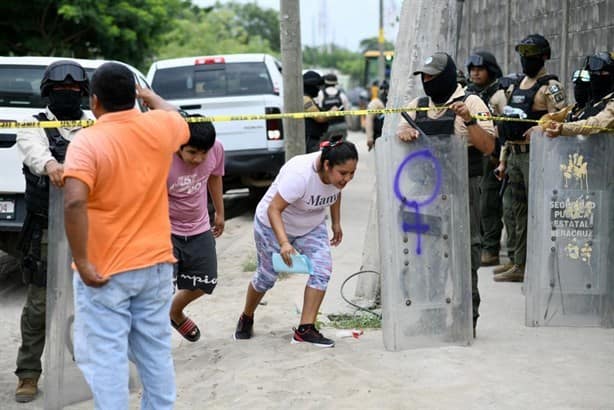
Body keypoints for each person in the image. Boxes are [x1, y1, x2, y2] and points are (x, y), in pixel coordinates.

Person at [62, 62, 190, 409]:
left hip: (104, 269)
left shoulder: (87, 142)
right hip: (156, 263)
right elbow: (176, 115)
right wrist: (149, 96)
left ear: (95, 101)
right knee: (155, 351)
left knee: (106, 355)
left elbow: (74, 201)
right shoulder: (160, 127)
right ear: (135, 95)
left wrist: (83, 261)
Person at [396, 52, 496, 337]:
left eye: (433, 76)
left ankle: (465, 320)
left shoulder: (472, 101)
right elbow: (400, 130)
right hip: (428, 193)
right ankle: (432, 316)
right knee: (429, 255)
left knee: (464, 254)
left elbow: (488, 147)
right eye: (424, 76)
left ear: (448, 75)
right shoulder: (419, 105)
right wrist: (403, 132)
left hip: (463, 189)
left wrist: (470, 121)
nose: (428, 81)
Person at [233, 136, 358, 348]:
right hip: (272, 225)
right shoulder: (300, 174)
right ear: (326, 165)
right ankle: (247, 316)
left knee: (322, 269)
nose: (347, 179)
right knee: (266, 277)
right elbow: (274, 209)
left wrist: (336, 223)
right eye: (343, 173)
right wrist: (283, 243)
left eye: (352, 173)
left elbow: (335, 193)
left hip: (310, 226)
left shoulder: (335, 178)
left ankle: (305, 329)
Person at [13, 59, 90, 403]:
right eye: (60, 90)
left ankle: (88, 366)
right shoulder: (32, 123)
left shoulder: (93, 124)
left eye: (73, 90)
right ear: (48, 92)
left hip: (91, 225)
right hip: (46, 227)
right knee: (40, 305)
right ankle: (28, 373)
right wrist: (52, 165)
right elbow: (34, 153)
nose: (67, 95)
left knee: (93, 300)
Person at [494, 34, 566, 283]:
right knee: (514, 212)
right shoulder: (517, 85)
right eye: (523, 54)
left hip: (535, 156)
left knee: (536, 212)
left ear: (544, 56)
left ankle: (534, 265)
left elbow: (563, 117)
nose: (526, 60)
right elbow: (509, 122)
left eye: (531, 55)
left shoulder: (551, 86)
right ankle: (517, 261)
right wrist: (503, 160)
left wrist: (541, 126)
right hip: (514, 154)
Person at [167, 116, 225, 342]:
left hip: (200, 226)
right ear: (177, 145)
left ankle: (174, 313)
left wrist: (219, 212)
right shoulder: (162, 158)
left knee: (207, 281)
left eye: (204, 153)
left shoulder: (216, 150)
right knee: (161, 290)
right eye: (192, 152)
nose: (199, 159)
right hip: (166, 229)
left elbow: (215, 177)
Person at [465, 51, 511, 268]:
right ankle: (482, 243)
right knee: (477, 202)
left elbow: (507, 127)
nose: (475, 73)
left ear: (490, 71)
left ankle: (491, 248)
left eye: (480, 69)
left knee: (490, 203)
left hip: (495, 155)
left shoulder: (499, 96)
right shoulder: (469, 94)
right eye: (472, 69)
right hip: (475, 155)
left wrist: (500, 156)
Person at [544, 51, 614, 138]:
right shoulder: (592, 103)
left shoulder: (611, 104)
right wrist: (543, 125)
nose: (594, 76)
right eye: (591, 73)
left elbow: (597, 123)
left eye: (600, 73)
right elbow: (556, 116)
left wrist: (563, 128)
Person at [303, 71, 333, 153]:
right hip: (309, 141)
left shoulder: (307, 97)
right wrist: (333, 112)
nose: (319, 89)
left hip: (312, 139)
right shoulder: (305, 99)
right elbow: (320, 118)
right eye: (317, 86)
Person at [318, 73, 350, 141]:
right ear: (336, 83)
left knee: (325, 148)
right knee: (341, 147)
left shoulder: (320, 94)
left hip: (326, 127)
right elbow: (347, 112)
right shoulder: (342, 95)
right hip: (341, 125)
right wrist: (347, 126)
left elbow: (318, 112)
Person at [366, 79, 389, 151]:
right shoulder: (375, 103)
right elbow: (369, 120)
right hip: (379, 137)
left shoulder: (394, 102)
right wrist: (370, 138)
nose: (384, 92)